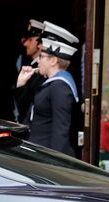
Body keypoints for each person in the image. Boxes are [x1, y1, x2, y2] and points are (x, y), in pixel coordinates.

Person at [27, 22, 80, 157]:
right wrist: (21, 84)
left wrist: (54, 163)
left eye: (42, 57)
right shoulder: (51, 84)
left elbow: (60, 132)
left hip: (46, 159)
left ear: (53, 60)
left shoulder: (60, 87)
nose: (38, 61)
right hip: (38, 154)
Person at [14, 19, 46, 124]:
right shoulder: (30, 65)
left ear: (39, 42)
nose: (25, 43)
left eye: (30, 39)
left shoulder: (44, 70)